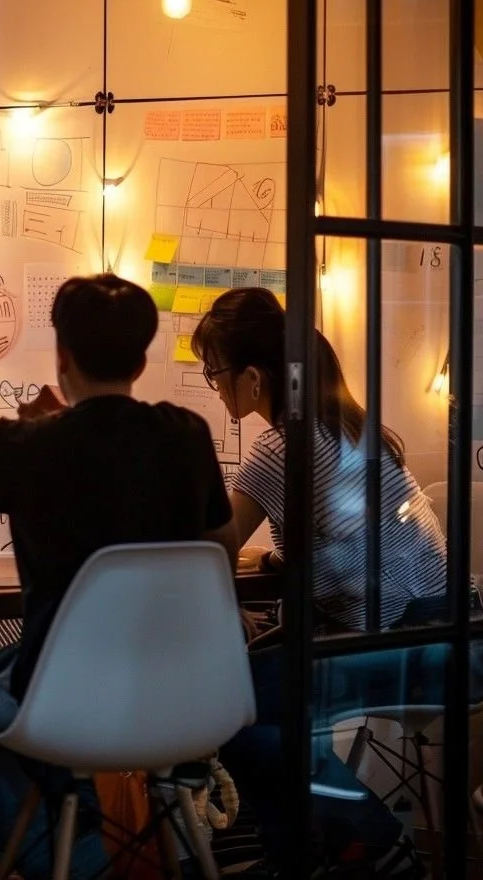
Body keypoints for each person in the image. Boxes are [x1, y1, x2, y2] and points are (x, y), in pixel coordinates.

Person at [0, 273, 237, 880]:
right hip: (182, 691)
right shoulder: (187, 436)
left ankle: (61, 851)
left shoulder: (15, 444)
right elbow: (218, 552)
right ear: (142, 356)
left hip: (61, 695)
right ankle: (81, 833)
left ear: (61, 352)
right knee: (22, 682)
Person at [192, 287, 448, 877]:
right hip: (450, 631)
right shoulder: (351, 427)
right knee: (253, 682)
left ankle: (369, 844)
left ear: (253, 379)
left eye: (215, 373)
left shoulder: (281, 446)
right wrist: (290, 563)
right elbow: (355, 539)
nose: (215, 384)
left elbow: (213, 553)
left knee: (229, 702)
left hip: (405, 645)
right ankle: (312, 853)